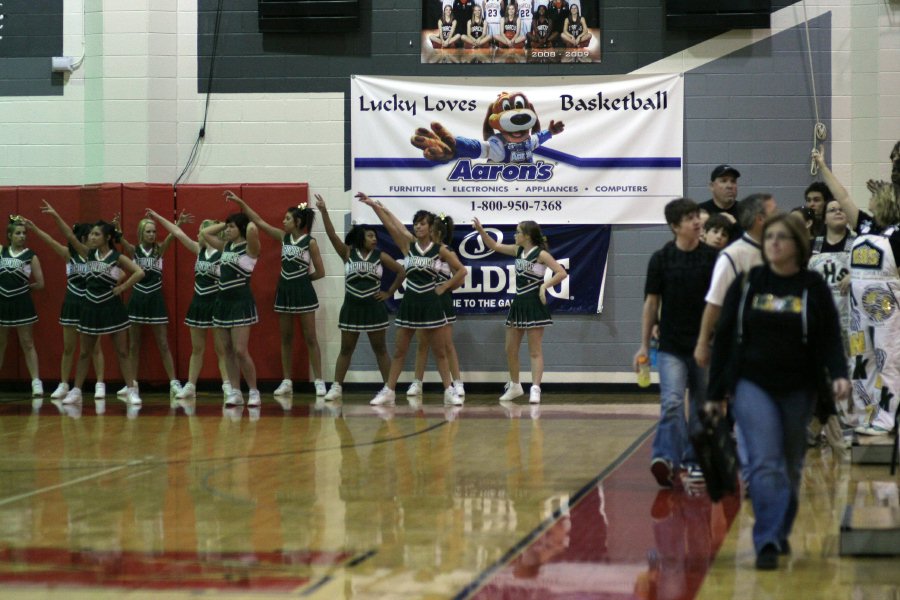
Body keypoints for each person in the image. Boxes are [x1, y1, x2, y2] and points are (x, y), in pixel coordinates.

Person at [707, 213, 849, 570]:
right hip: (752, 385)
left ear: (797, 245)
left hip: (799, 387)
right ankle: (767, 540)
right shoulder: (749, 282)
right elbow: (724, 337)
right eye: (769, 237)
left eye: (781, 237)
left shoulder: (812, 286)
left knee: (790, 466)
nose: (773, 243)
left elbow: (830, 335)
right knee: (765, 462)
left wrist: (839, 374)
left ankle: (779, 529)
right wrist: (715, 392)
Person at [813, 145, 900, 436]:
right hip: (856, 308)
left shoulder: (898, 234)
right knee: (860, 360)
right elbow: (843, 196)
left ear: (886, 200)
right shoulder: (865, 226)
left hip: (885, 307)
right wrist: (823, 166)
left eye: (875, 196)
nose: (870, 200)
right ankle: (864, 415)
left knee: (887, 360)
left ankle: (888, 419)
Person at [633, 199, 719, 488]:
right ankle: (665, 459)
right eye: (689, 218)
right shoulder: (661, 259)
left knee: (699, 407)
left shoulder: (713, 258)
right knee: (671, 403)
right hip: (671, 346)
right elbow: (650, 303)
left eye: (697, 216)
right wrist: (644, 345)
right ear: (674, 226)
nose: (697, 222)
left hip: (705, 346)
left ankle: (695, 460)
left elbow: (719, 304)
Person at [358, 193, 466, 406]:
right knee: (400, 350)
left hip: (431, 304)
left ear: (430, 226)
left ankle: (448, 390)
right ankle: (389, 390)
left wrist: (444, 286)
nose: (418, 227)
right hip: (410, 303)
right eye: (415, 224)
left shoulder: (440, 250)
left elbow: (462, 271)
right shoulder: (408, 245)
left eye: (422, 224)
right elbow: (391, 227)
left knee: (440, 351)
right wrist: (374, 207)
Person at [224, 190, 327, 397]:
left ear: (298, 221)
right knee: (286, 337)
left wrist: (303, 282)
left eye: (287, 218)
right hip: (284, 291)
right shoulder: (283, 237)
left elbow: (321, 272)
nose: (284, 221)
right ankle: (287, 380)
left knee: (310, 338)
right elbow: (260, 222)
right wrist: (241, 204)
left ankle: (319, 380)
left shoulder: (310, 242)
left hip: (303, 293)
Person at [40, 203, 145, 406]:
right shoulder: (88, 254)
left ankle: (131, 389)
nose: (91, 237)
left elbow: (139, 272)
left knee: (122, 351)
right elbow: (70, 237)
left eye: (96, 234)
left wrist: (122, 289)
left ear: (106, 238)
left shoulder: (117, 257)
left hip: (112, 308)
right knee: (85, 352)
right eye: (91, 235)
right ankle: (77, 390)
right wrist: (55, 216)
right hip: (90, 307)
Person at [315, 194, 406, 402]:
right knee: (346, 349)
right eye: (370, 236)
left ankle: (388, 389)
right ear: (361, 238)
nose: (374, 239)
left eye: (375, 236)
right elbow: (331, 236)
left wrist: (389, 292)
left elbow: (401, 271)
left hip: (374, 308)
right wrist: (324, 211)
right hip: (352, 307)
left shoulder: (380, 256)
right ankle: (337, 387)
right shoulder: (347, 253)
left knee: (380, 349)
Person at [472, 217, 568, 404]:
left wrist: (544, 286)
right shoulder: (517, 251)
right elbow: (493, 245)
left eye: (517, 232)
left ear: (526, 236)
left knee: (535, 350)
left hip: (534, 303)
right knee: (510, 348)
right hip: (518, 303)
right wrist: (480, 230)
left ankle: (535, 388)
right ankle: (515, 385)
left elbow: (561, 272)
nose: (515, 235)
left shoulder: (541, 254)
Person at [145, 209, 231, 401]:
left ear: (210, 234)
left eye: (200, 231)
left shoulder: (223, 251)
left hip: (216, 304)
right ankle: (191, 385)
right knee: (197, 348)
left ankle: (227, 386)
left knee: (221, 349)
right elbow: (177, 233)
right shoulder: (198, 250)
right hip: (198, 304)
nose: (197, 235)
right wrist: (158, 217)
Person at [24, 218, 106, 401]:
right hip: (71, 304)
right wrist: (35, 228)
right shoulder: (69, 255)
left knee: (95, 347)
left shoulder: (98, 257)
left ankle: (100, 384)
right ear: (84, 237)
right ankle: (63, 384)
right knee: (69, 348)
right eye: (89, 235)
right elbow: (50, 241)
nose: (92, 238)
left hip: (91, 305)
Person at [694, 193, 778, 368]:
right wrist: (702, 343)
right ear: (760, 219)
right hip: (741, 345)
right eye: (774, 211)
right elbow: (714, 304)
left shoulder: (777, 251)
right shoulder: (733, 255)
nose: (779, 216)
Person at [117, 213, 186, 398]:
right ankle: (132, 384)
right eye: (148, 231)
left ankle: (173, 383)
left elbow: (173, 235)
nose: (152, 234)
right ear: (141, 233)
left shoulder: (159, 249)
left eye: (154, 231)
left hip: (155, 298)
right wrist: (116, 229)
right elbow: (120, 240)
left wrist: (177, 224)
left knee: (163, 343)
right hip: (137, 298)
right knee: (134, 345)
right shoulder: (134, 250)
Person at [806, 198, 855, 450]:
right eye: (832, 210)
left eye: (841, 209)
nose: (838, 212)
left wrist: (857, 274)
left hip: (850, 322)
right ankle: (819, 426)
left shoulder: (857, 245)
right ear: (823, 218)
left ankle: (848, 425)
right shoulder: (812, 246)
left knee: (849, 374)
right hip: (818, 323)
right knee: (818, 378)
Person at [200, 209, 261, 407]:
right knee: (227, 350)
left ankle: (253, 391)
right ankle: (235, 391)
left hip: (241, 302)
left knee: (240, 350)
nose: (227, 230)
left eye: (232, 227)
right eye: (227, 227)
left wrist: (244, 220)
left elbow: (252, 227)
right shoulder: (225, 246)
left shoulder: (250, 248)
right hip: (222, 303)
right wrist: (225, 224)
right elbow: (206, 234)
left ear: (241, 228)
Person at [407, 215, 465, 399]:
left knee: (447, 345)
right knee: (422, 343)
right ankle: (417, 382)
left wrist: (446, 287)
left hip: (442, 301)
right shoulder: (425, 250)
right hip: (425, 300)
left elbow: (461, 277)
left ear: (437, 232)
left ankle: (457, 382)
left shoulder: (446, 251)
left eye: (430, 230)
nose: (426, 233)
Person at [0, 217, 44, 396]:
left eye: (24, 233)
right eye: (17, 233)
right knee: (1, 343)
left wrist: (24, 289)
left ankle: (36, 381)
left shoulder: (30, 256)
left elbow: (40, 284)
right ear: (9, 235)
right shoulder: (1, 251)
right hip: (2, 301)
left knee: (27, 342)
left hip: (22, 302)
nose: (22, 236)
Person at [698, 165, 741, 238]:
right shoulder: (700, 211)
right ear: (712, 186)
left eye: (733, 181)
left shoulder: (747, 212)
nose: (730, 186)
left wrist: (736, 225)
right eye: (724, 181)